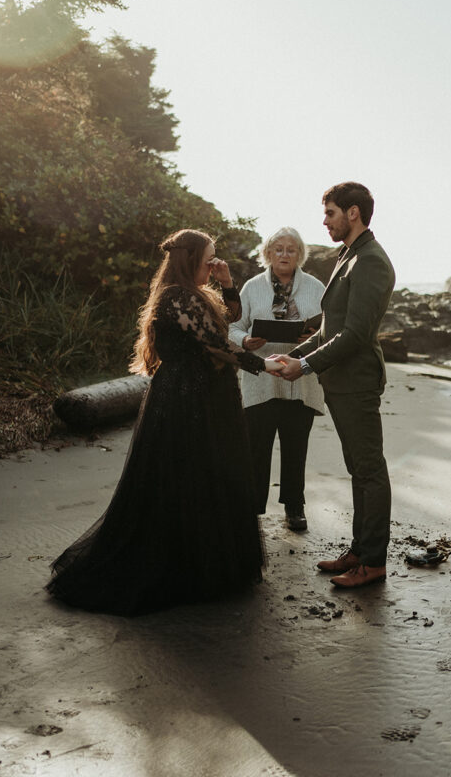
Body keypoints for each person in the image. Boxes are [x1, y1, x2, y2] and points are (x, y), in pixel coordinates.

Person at [46, 229, 283, 616]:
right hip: (186, 399)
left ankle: (206, 567)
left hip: (206, 396)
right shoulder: (176, 297)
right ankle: (182, 572)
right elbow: (215, 345)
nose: (214, 264)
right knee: (183, 478)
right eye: (209, 259)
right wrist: (267, 365)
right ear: (191, 259)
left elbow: (230, 320)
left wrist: (227, 284)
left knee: (210, 477)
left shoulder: (196, 293)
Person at [272, 183, 395, 589]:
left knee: (369, 470)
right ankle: (360, 550)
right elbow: (330, 329)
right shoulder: (351, 256)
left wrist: (304, 366)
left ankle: (373, 562)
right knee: (358, 469)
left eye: (330, 213)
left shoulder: (371, 261)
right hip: (341, 380)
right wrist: (296, 355)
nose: (324, 221)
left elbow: (356, 334)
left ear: (353, 213)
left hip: (357, 380)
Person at [228, 227, 325, 532]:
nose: (284, 254)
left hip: (302, 379)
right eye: (278, 249)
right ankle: (254, 510)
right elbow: (232, 328)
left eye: (291, 249)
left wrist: (316, 336)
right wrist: (245, 341)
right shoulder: (251, 288)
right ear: (267, 253)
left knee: (296, 449)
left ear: (300, 255)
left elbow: (331, 329)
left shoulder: (316, 287)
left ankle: (294, 508)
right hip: (261, 380)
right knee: (257, 449)